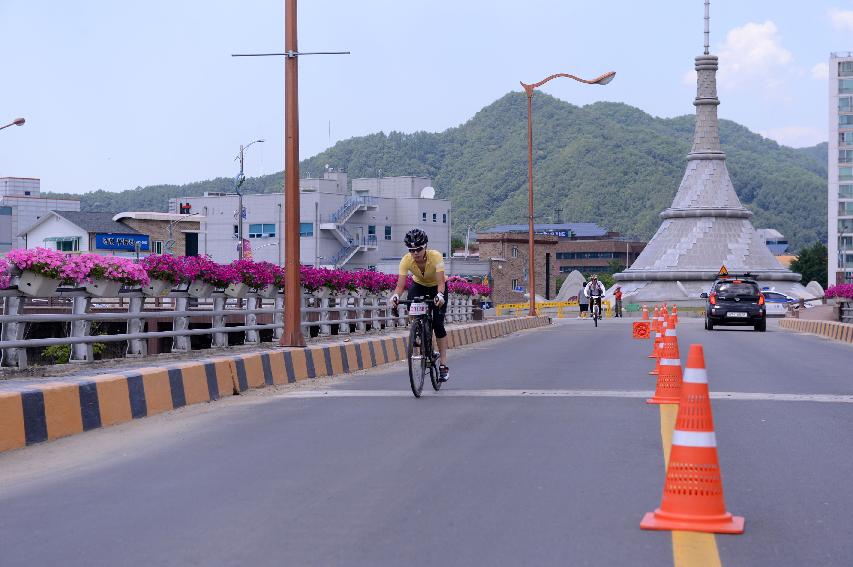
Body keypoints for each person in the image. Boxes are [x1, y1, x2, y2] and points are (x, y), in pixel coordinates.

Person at [390, 228, 450, 382]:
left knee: (438, 324)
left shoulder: (436, 257)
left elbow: (441, 283)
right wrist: (396, 296)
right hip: (419, 285)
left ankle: (443, 365)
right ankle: (418, 333)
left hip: (437, 287)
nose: (415, 253)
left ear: (425, 247)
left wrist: (440, 296)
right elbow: (400, 286)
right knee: (412, 306)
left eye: (418, 249)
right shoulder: (406, 260)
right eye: (411, 250)